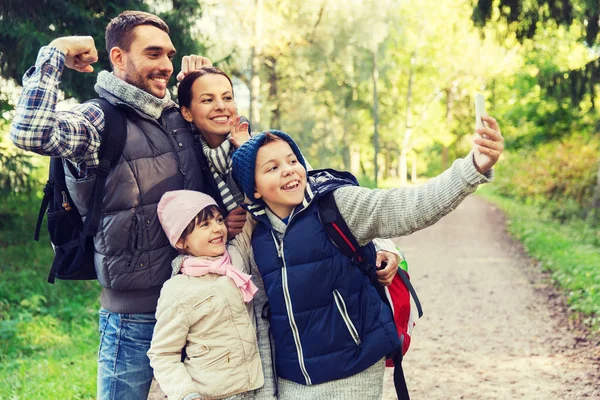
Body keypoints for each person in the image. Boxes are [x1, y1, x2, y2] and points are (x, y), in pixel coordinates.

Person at [9, 10, 218, 400]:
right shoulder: (98, 120)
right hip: (135, 318)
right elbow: (30, 132)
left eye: (170, 56)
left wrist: (201, 88)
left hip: (198, 302)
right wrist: (54, 53)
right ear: (119, 58)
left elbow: (232, 162)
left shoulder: (175, 115)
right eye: (153, 54)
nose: (166, 66)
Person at [230, 122, 503, 398]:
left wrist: (472, 169)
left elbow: (411, 206)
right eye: (272, 168)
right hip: (293, 381)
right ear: (254, 190)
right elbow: (263, 323)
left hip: (355, 369)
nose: (288, 169)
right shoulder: (257, 240)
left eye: (292, 160)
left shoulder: (337, 204)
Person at [148, 190, 264, 400]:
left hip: (258, 389)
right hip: (211, 394)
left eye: (219, 219)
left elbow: (250, 213)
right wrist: (187, 395)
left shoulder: (236, 257)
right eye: (205, 225)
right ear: (181, 241)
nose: (218, 228)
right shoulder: (177, 289)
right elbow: (163, 354)